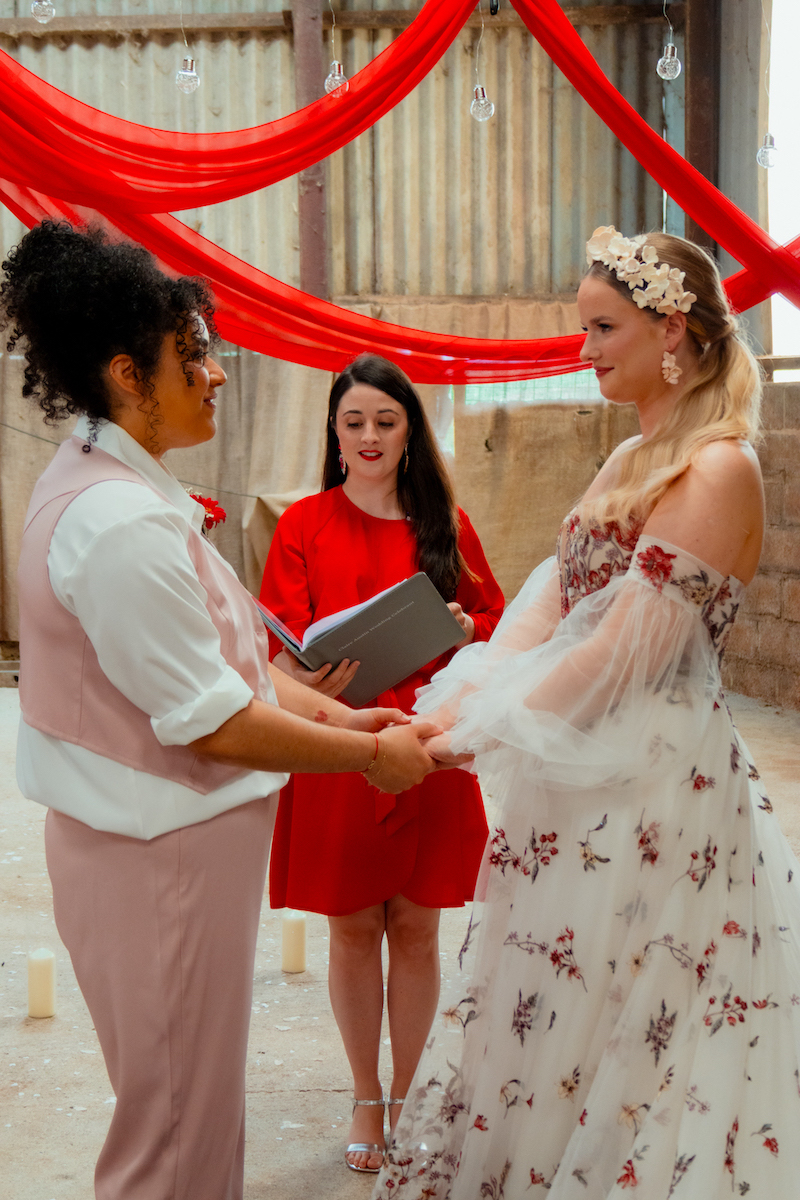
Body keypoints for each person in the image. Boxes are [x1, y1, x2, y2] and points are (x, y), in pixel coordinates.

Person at [3, 221, 440, 1200]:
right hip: (158, 866)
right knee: (171, 1144)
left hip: (170, 858)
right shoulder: (118, 523)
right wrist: (369, 760)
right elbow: (209, 720)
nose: (217, 373)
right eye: (193, 353)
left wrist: (346, 723)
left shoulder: (119, 487)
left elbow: (224, 664)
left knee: (193, 1122)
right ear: (126, 372)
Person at [373, 227, 800, 1199]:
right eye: (582, 328)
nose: (583, 348)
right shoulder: (625, 459)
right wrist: (448, 715)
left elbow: (618, 658)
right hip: (572, 782)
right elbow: (544, 610)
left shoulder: (718, 468)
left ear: (672, 334)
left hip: (654, 793)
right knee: (556, 1017)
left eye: (601, 328)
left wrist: (464, 742)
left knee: (642, 1029)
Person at [259, 354, 504, 1172]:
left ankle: (415, 1093)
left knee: (420, 929)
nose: (369, 436)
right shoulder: (302, 524)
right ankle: (366, 1094)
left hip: (427, 741)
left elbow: (496, 620)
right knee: (354, 927)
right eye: (354, 421)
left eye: (386, 422)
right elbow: (278, 652)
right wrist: (306, 676)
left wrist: (465, 631)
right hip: (337, 743)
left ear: (409, 433)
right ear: (333, 431)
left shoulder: (448, 523)